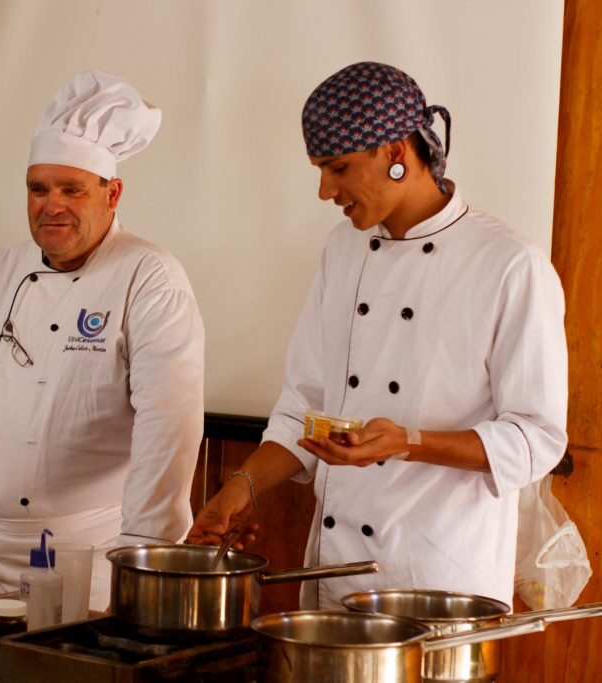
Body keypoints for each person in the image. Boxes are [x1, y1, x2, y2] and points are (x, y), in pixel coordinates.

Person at [187, 62, 568, 610]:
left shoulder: (510, 266)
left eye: (337, 168)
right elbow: (306, 406)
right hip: (335, 576)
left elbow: (537, 439)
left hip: (437, 586)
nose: (324, 190)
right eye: (320, 169)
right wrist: (240, 488)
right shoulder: (341, 251)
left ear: (396, 153)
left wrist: (409, 442)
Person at [0, 71, 205, 610]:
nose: (53, 205)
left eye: (72, 189)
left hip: (96, 558)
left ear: (112, 193)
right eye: (38, 188)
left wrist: (145, 555)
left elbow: (169, 425)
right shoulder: (2, 270)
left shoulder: (148, 276)